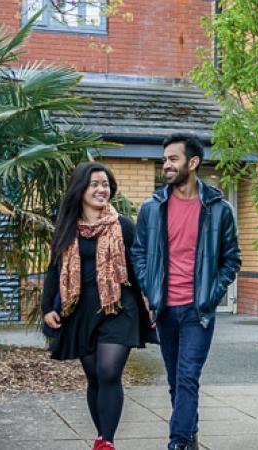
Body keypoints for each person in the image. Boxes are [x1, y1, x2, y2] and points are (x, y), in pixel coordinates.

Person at [131, 135, 241, 450]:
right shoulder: (152, 208)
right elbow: (139, 252)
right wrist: (150, 288)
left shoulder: (220, 210)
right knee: (175, 380)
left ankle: (178, 441)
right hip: (165, 307)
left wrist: (212, 292)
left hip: (198, 310)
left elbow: (231, 259)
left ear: (192, 163)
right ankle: (189, 436)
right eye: (164, 158)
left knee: (187, 376)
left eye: (173, 159)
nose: (166, 165)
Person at [41, 162, 158, 450]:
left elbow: (139, 267)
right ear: (80, 189)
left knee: (108, 372)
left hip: (120, 307)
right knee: (94, 377)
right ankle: (101, 436)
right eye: (94, 183)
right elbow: (54, 270)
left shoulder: (123, 226)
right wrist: (48, 308)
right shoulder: (67, 228)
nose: (101, 189)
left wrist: (152, 303)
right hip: (80, 310)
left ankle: (107, 442)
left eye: (105, 184)